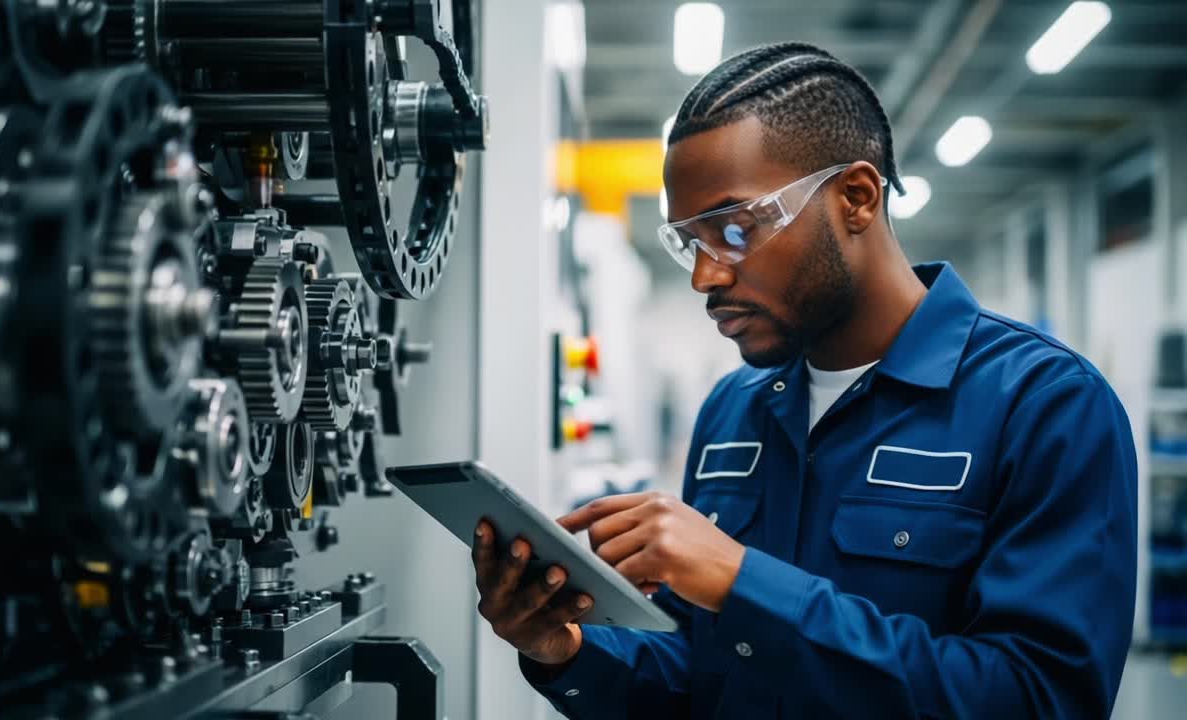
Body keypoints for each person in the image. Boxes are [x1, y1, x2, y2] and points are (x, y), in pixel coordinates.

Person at [470, 42, 1137, 718]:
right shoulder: (734, 410)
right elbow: (702, 675)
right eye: (689, 243)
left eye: (734, 229)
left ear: (856, 198)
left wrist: (743, 584)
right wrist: (568, 652)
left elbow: (1042, 699)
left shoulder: (1045, 404)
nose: (705, 276)